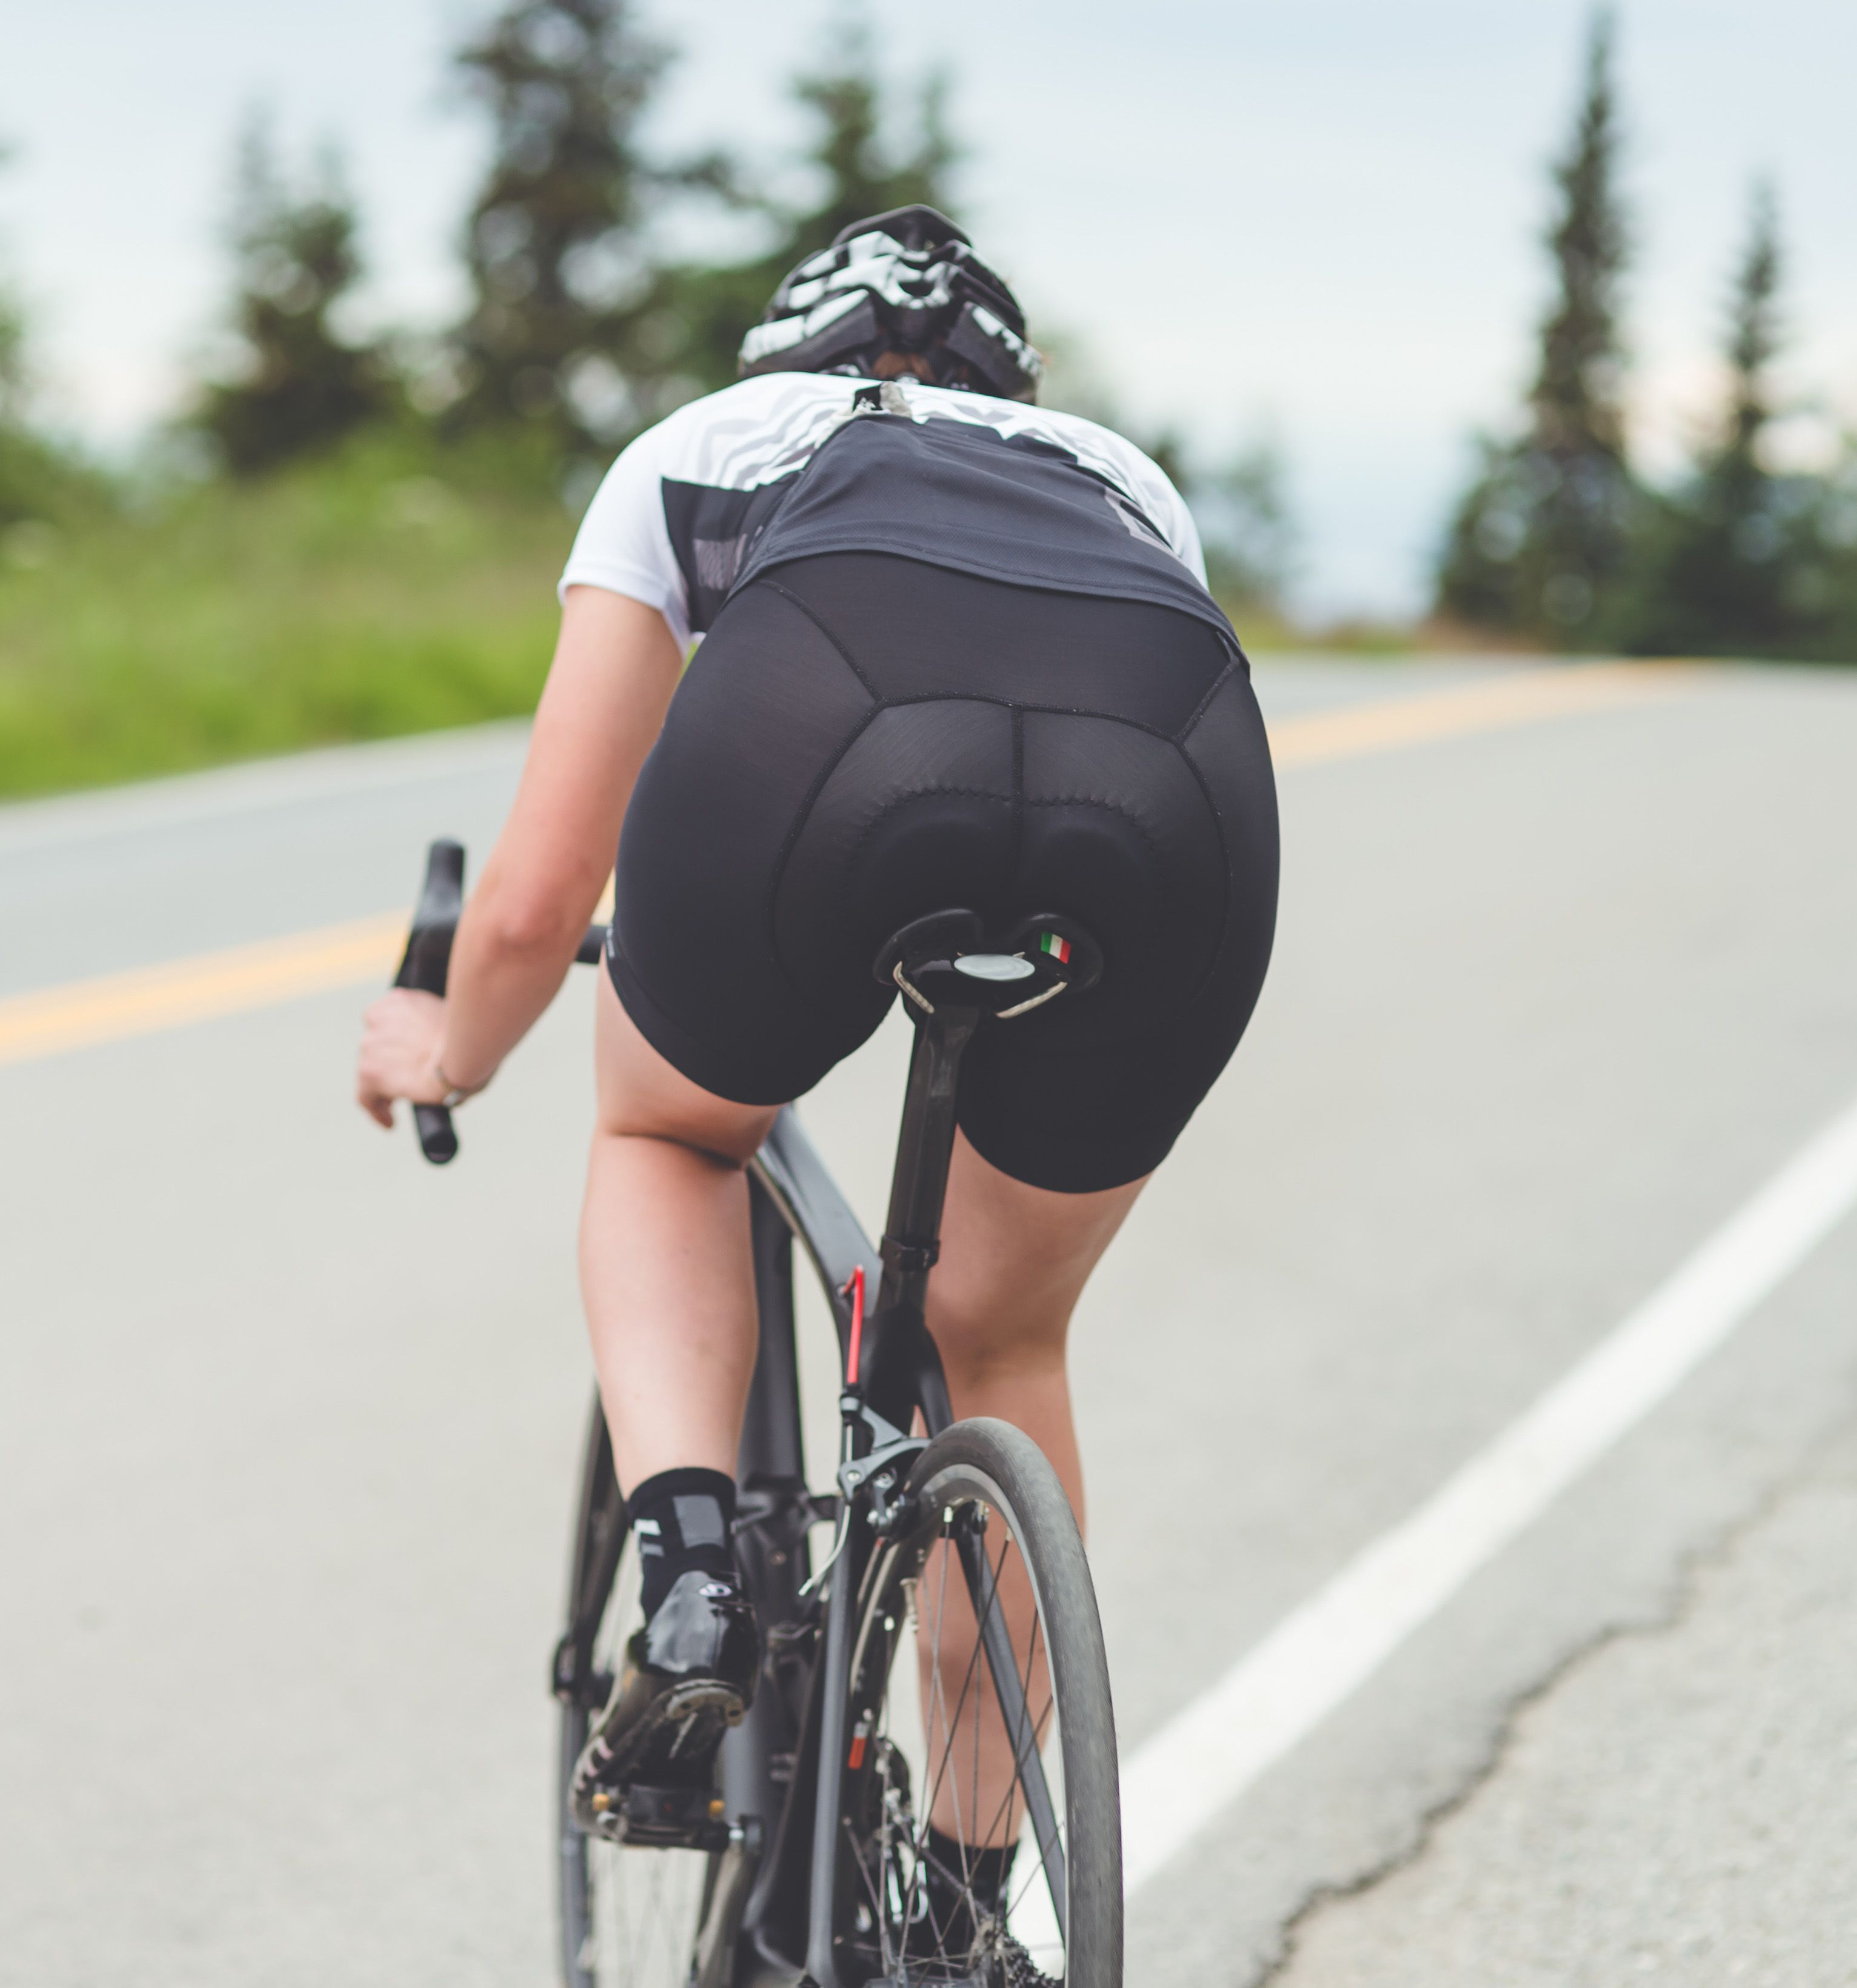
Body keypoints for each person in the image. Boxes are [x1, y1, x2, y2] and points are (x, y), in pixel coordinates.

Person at [353, 205, 1278, 1938]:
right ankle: (972, 1891)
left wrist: (448, 1049)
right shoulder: (1121, 475)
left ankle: (694, 1573)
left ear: (797, 352)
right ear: (1000, 382)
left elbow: (547, 894)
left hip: (829, 721)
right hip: (1172, 779)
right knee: (999, 1338)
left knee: (668, 1129)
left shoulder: (705, 448)